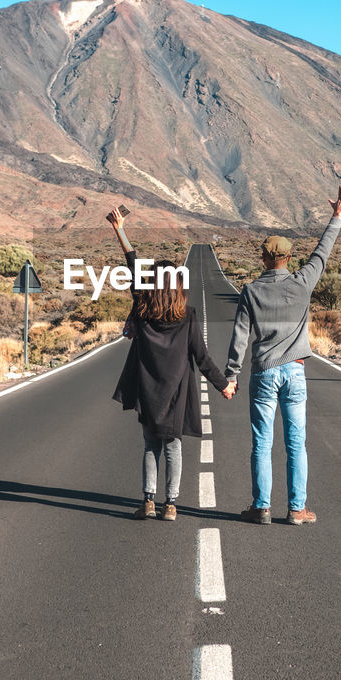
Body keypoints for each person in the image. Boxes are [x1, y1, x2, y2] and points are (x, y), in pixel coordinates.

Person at [225, 183, 341, 525]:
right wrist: (337, 216)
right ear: (288, 258)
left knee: (262, 443)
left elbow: (240, 335)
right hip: (295, 372)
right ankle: (297, 509)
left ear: (265, 258)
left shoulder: (250, 291)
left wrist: (231, 374)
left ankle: (262, 506)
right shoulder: (302, 282)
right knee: (297, 443)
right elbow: (323, 252)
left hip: (263, 373)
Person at [108, 206, 232, 521]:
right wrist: (224, 385)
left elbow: (133, 266)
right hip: (176, 394)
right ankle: (170, 505)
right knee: (173, 446)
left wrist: (120, 230)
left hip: (148, 392)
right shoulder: (187, 316)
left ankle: (148, 501)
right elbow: (202, 358)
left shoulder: (144, 311)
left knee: (151, 445)